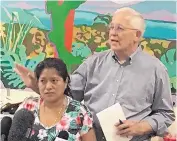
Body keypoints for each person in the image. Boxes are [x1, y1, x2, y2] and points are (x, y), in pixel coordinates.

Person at [14, 7, 175, 141]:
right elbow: (68, 94)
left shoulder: (156, 69)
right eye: (111, 27)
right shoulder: (93, 62)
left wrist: (142, 127)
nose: (112, 33)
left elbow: (165, 113)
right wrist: (37, 85)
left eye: (119, 28)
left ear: (137, 35)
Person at [15, 58, 97, 141]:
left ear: (65, 82)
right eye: (43, 81)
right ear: (37, 83)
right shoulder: (28, 106)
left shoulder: (80, 112)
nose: (48, 87)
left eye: (54, 80)